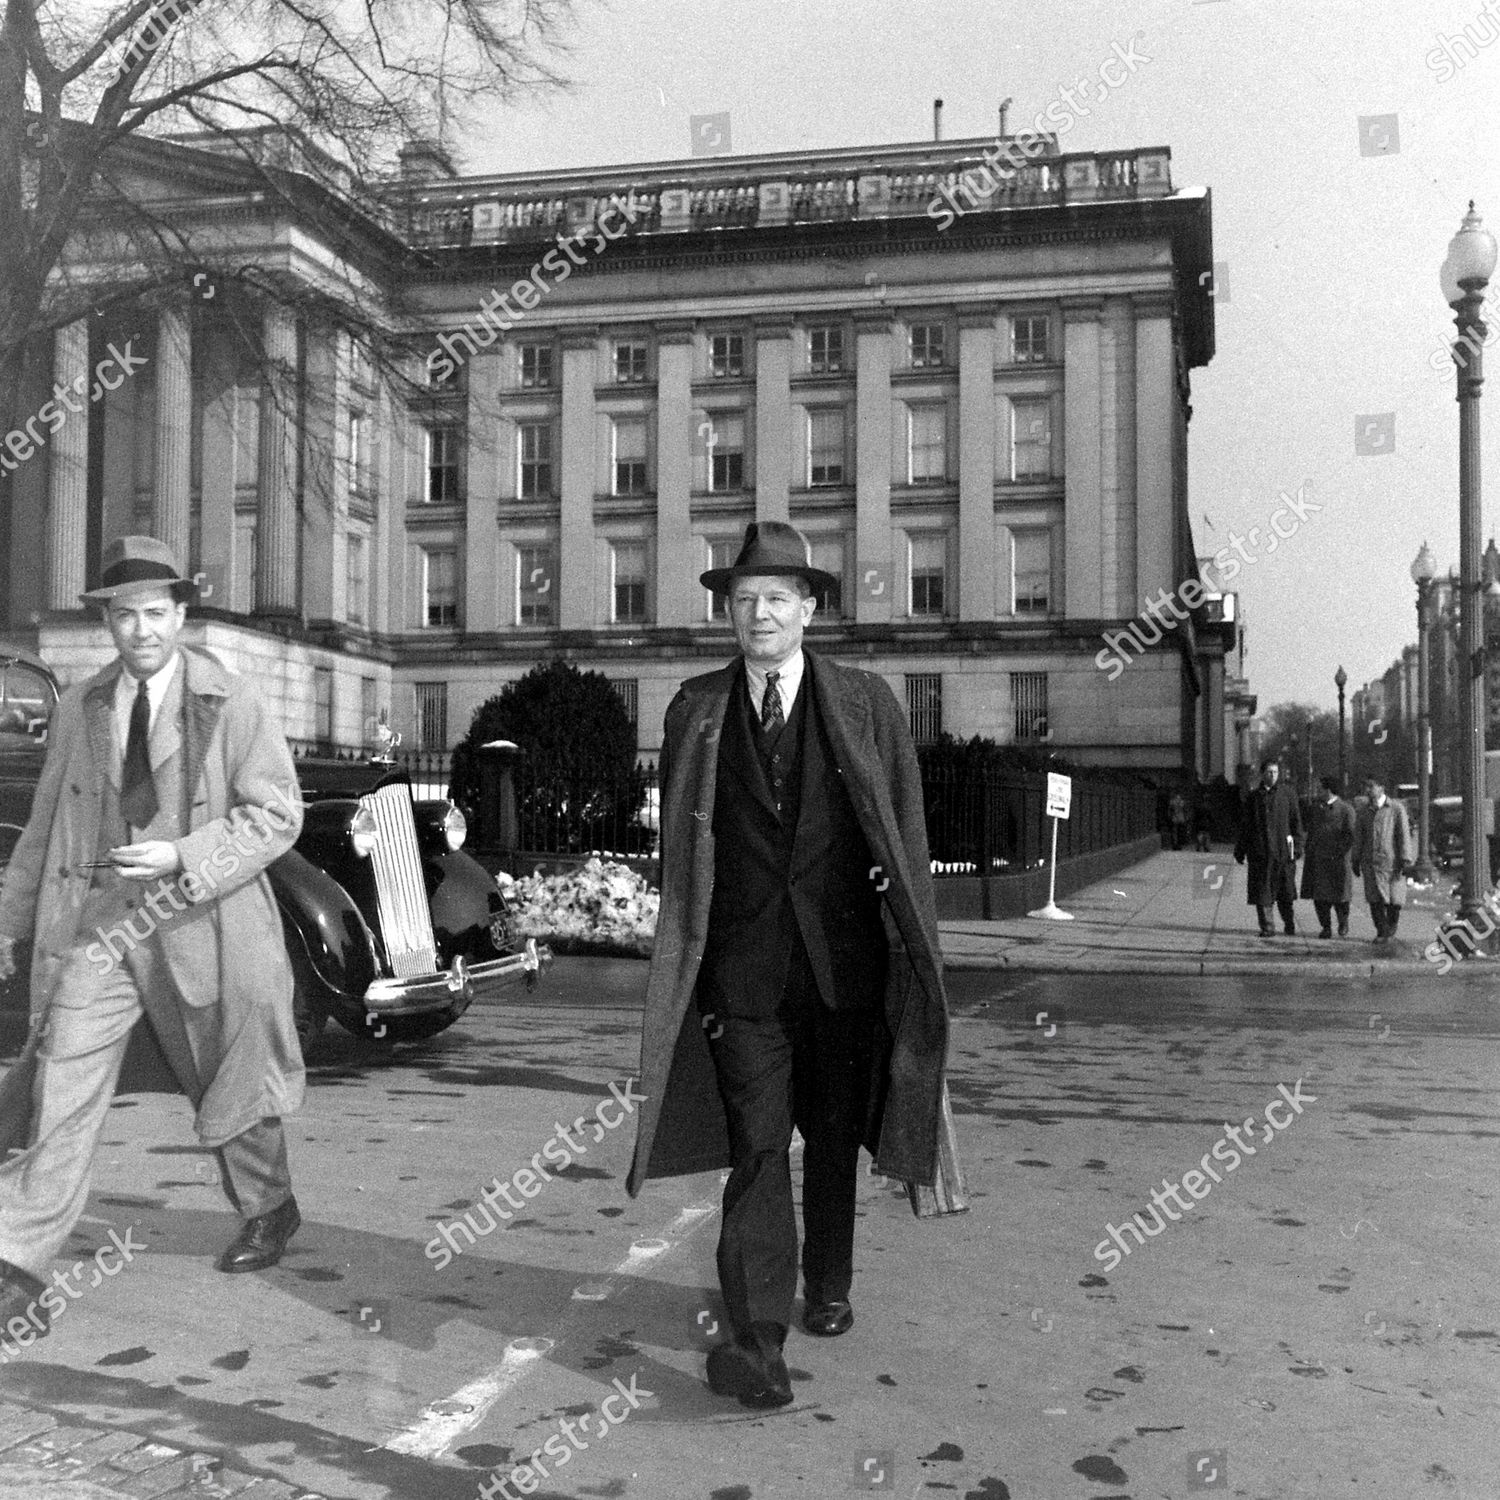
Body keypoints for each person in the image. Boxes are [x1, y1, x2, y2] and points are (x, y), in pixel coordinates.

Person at [625, 521, 955, 1411]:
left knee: (835, 1138)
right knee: (759, 1148)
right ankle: (759, 1338)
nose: (758, 614)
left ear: (810, 609)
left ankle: (831, 1281)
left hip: (844, 971)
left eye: (776, 598)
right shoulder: (696, 708)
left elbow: (905, 833)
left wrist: (906, 929)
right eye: (742, 601)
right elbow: (686, 849)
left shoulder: (867, 703)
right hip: (743, 978)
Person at [0, 536, 307, 1333]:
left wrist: (184, 853)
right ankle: (19, 1263)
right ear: (109, 621)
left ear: (179, 614)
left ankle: (270, 1206)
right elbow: (43, 829)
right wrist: (8, 924)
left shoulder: (229, 699)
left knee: (228, 1079)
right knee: (60, 1085)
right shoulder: (82, 705)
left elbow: (278, 814)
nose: (141, 630)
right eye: (126, 615)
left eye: (155, 613)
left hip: (201, 922)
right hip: (102, 928)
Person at [1234, 759, 1304, 936]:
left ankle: (1289, 923)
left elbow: (1296, 823)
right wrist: (1240, 849)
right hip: (1261, 853)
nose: (1273, 776)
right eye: (1269, 772)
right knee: (1263, 892)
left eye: (1275, 772)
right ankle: (1268, 927)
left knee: (1285, 894)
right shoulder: (1254, 798)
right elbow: (1246, 826)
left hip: (1283, 852)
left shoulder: (1288, 794)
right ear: (1262, 774)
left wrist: (1297, 847)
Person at [1353, 776, 1412, 945]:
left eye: (1371, 787)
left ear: (1381, 788)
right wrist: (1355, 859)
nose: (1368, 791)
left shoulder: (1395, 809)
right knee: (1375, 899)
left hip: (1392, 864)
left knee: (1395, 900)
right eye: (1366, 787)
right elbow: (1359, 838)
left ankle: (1391, 926)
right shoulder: (1364, 812)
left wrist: (1405, 859)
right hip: (1370, 862)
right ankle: (1381, 931)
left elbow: (1403, 835)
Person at [1300, 775, 1357, 938]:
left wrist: (1340, 851)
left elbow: (1350, 835)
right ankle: (1326, 926)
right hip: (1318, 859)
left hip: (1338, 861)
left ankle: (1343, 922)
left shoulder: (1346, 809)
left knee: (1341, 897)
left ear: (1329, 789)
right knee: (1320, 897)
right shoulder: (1315, 808)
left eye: (1320, 788)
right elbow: (1309, 830)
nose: (1318, 791)